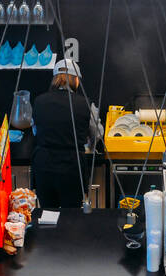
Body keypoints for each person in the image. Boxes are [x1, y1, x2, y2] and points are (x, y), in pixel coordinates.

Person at [30, 59, 102, 210]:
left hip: (44, 166)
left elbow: (35, 130)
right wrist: (91, 144)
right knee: (71, 216)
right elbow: (97, 133)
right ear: (76, 79)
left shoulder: (38, 101)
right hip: (71, 167)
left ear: (55, 78)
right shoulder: (86, 104)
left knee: (48, 213)